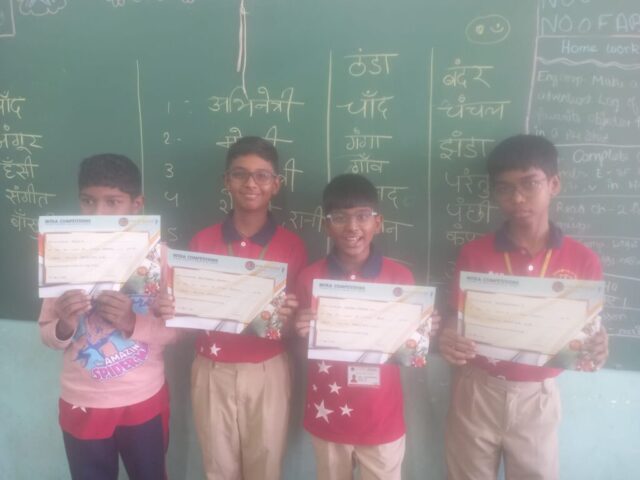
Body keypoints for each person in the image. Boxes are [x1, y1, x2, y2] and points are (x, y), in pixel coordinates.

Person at [439, 134, 609, 480]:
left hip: (538, 397)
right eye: (505, 188)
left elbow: (588, 330)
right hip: (477, 388)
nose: (517, 198)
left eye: (530, 184)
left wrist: (597, 344)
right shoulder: (475, 253)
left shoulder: (583, 260)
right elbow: (459, 319)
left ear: (554, 184)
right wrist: (448, 336)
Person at [38, 153, 176, 480]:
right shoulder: (62, 255)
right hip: (83, 400)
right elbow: (47, 333)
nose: (98, 213)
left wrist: (132, 322)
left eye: (113, 202)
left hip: (143, 396)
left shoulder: (160, 257)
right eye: (88, 201)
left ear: (137, 204)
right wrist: (65, 324)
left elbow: (174, 333)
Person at [188, 136, 307, 480]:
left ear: (276, 184)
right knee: (218, 468)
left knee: (265, 468)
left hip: (267, 369)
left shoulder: (292, 246)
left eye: (262, 175)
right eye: (240, 174)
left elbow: (296, 322)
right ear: (226, 181)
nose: (251, 184)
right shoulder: (202, 241)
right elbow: (189, 309)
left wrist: (291, 316)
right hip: (212, 368)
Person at [295, 173, 417, 480]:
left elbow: (408, 349)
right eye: (339, 217)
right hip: (329, 412)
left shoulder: (401, 279)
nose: (352, 227)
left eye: (362, 216)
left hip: (381, 416)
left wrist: (419, 333)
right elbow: (300, 341)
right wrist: (300, 328)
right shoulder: (310, 277)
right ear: (326, 225)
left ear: (378, 222)